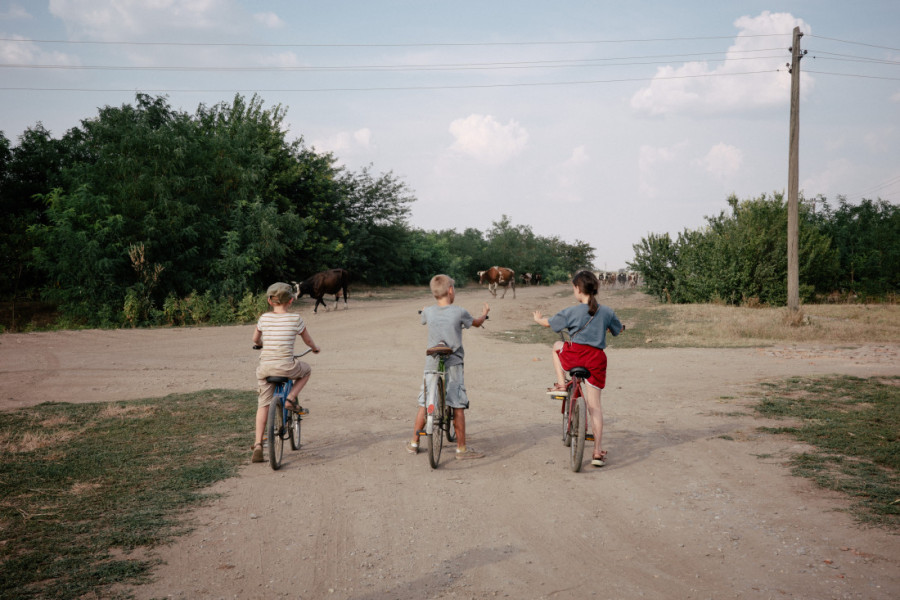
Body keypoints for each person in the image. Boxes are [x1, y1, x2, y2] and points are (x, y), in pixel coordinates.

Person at [533, 270, 625, 467]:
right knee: (595, 407)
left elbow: (547, 324)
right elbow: (618, 330)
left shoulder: (571, 311)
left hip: (574, 355)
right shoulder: (607, 311)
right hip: (596, 360)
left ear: (577, 289)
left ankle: (560, 383)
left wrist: (538, 318)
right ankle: (597, 451)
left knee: (556, 347)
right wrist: (614, 327)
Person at [408, 274, 490, 460]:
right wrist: (485, 313)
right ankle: (461, 449)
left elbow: (424, 318)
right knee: (457, 405)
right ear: (451, 290)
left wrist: (425, 310)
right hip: (453, 362)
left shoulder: (428, 311)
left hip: (432, 362)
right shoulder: (460, 311)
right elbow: (476, 323)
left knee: (424, 402)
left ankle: (414, 443)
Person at [250, 282, 320, 463]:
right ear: (291, 300)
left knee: (263, 404)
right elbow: (308, 340)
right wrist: (314, 348)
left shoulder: (264, 318)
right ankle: (290, 399)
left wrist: (260, 345)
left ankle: (258, 444)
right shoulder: (296, 319)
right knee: (306, 371)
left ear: (269, 301)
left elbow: (255, 339)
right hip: (287, 367)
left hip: (265, 369)